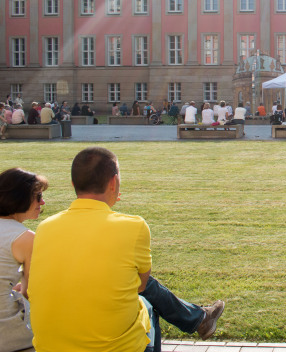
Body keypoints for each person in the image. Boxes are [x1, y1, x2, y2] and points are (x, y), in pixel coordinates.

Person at [27, 148, 225, 351]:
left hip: (50, 345)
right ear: (113, 182)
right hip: (114, 346)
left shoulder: (45, 227)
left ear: (73, 185)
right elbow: (141, 285)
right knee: (147, 306)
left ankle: (200, 319)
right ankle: (199, 319)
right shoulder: (133, 226)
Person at [0, 167, 48, 351]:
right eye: (37, 197)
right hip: (8, 331)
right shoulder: (25, 238)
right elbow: (32, 292)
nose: (42, 202)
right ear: (18, 197)